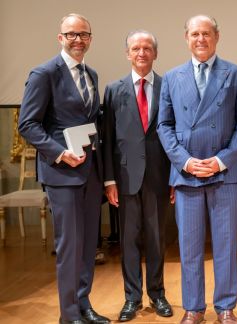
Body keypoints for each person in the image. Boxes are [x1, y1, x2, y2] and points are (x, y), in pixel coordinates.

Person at [157, 15, 237, 324]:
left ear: (217, 37)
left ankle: (225, 307)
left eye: (206, 34)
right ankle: (194, 308)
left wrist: (222, 159)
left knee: (226, 245)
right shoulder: (172, 77)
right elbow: (164, 125)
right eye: (195, 34)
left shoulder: (236, 74)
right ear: (186, 38)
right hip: (187, 173)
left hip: (225, 173)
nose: (201, 39)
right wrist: (184, 161)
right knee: (190, 246)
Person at [17, 13, 110, 324]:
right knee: (69, 247)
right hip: (62, 175)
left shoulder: (91, 74)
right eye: (71, 34)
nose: (78, 39)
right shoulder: (44, 73)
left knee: (87, 247)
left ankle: (84, 305)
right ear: (60, 38)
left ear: (90, 39)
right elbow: (27, 124)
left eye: (83, 34)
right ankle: (68, 315)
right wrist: (59, 154)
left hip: (90, 173)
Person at [102, 30, 173, 321]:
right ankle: (132, 298)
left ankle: (157, 295)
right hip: (125, 178)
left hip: (160, 177)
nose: (141, 53)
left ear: (155, 54)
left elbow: (175, 134)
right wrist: (109, 180)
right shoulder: (113, 89)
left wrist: (175, 178)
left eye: (147, 48)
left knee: (157, 239)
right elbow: (106, 138)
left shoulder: (169, 86)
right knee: (128, 241)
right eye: (136, 48)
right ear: (128, 54)